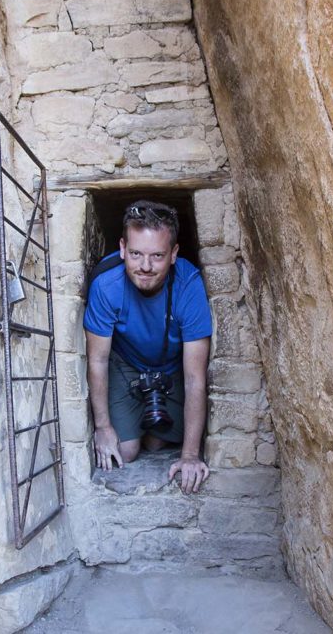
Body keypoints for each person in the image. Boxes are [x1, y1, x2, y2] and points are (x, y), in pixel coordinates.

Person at [83, 200, 212, 494]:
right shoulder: (106, 285)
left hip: (172, 368)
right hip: (126, 365)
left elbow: (195, 378)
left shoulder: (188, 286)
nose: (145, 266)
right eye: (136, 254)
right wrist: (103, 428)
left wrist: (190, 456)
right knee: (125, 451)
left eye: (157, 256)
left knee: (157, 442)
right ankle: (140, 424)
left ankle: (153, 431)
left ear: (174, 254)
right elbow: (98, 360)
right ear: (122, 249)